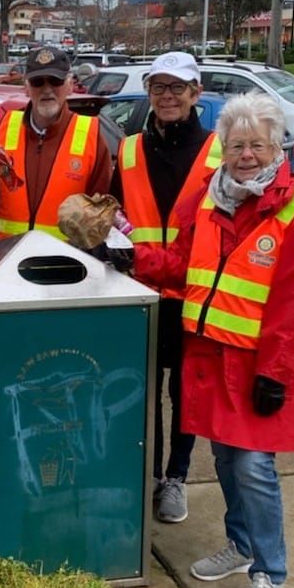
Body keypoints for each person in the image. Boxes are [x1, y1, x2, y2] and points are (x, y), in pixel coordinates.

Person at [133, 92, 294, 588]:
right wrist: (132, 256)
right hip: (211, 355)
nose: (246, 155)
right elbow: (181, 265)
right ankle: (242, 545)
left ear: (277, 148)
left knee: (252, 466)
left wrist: (274, 371)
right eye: (237, 144)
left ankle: (270, 572)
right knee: (225, 459)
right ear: (224, 148)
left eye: (258, 145)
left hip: (260, 364)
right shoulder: (210, 197)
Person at [111, 51, 223, 523]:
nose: (167, 96)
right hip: (139, 292)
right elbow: (114, 210)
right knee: (142, 391)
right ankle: (149, 475)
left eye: (177, 87)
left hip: (193, 294)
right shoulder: (129, 149)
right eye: (158, 87)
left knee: (184, 394)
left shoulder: (218, 152)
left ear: (196, 93)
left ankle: (176, 478)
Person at [0, 46, 112, 241]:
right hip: (11, 255)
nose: (47, 89)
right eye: (38, 82)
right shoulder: (2, 133)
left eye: (55, 81)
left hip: (63, 257)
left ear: (70, 85)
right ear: (26, 87)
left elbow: (103, 211)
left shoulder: (91, 136)